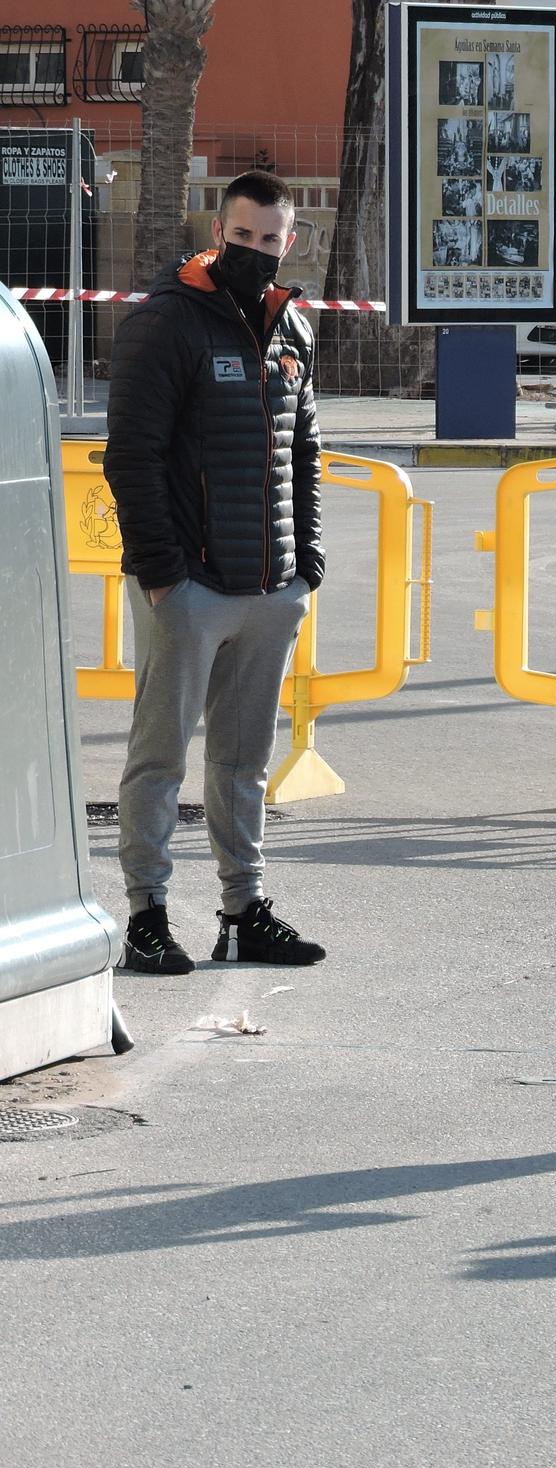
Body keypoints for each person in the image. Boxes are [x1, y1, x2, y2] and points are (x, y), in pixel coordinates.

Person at [104, 169, 327, 974]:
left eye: (271, 240)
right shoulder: (165, 324)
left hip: (269, 592)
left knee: (243, 761)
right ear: (217, 230)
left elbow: (303, 452)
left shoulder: (293, 329)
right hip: (189, 589)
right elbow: (131, 457)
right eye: (244, 238)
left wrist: (306, 563)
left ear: (289, 241)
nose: (257, 252)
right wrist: (164, 573)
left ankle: (243, 911)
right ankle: (146, 917)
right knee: (159, 758)